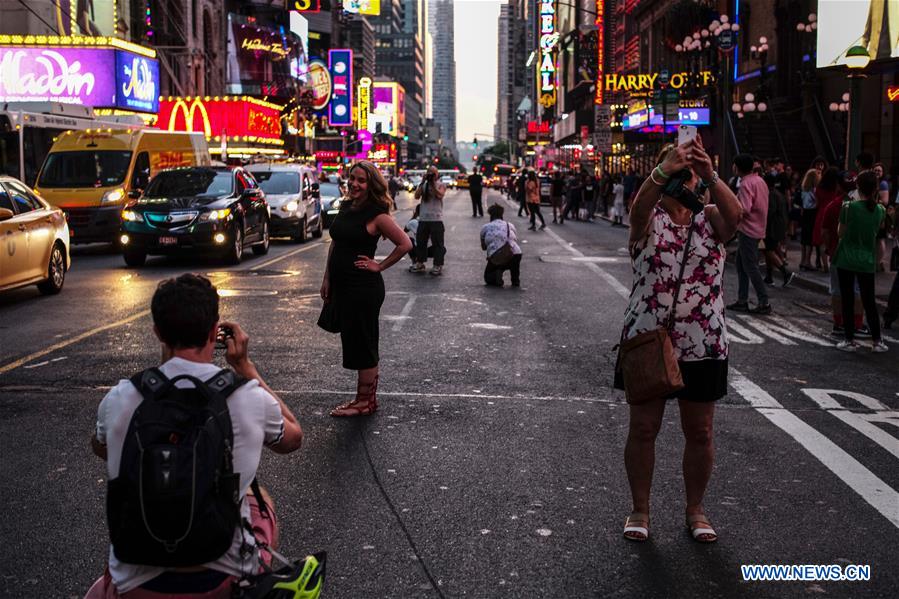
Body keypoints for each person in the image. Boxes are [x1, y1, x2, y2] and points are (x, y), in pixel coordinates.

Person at [89, 274, 304, 598]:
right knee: (257, 498)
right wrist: (245, 367)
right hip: (220, 582)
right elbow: (293, 438)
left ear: (157, 332)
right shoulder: (246, 396)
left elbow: (101, 448)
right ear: (213, 331)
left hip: (135, 585)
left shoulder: (122, 397)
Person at [616, 137, 742, 544]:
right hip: (650, 339)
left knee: (701, 431)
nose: (685, 184)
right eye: (678, 175)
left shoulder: (710, 219)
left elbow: (736, 216)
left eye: (689, 177)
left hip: (703, 341)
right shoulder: (647, 218)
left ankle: (696, 510)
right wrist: (662, 169)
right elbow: (636, 210)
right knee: (644, 428)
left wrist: (711, 174)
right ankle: (640, 509)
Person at [322, 161, 413, 416]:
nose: (354, 184)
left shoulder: (377, 215)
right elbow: (335, 244)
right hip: (343, 286)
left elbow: (405, 244)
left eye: (361, 180)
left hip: (363, 288)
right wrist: (327, 277)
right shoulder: (347, 206)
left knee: (363, 342)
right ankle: (366, 398)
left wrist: (379, 266)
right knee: (355, 340)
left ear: (370, 184)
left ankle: (364, 402)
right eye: (352, 179)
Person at [833, 172, 888, 352]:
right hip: (866, 258)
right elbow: (877, 231)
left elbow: (840, 233)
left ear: (858, 187)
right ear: (875, 189)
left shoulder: (848, 207)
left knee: (847, 299)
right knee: (868, 300)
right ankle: (877, 341)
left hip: (847, 257)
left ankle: (849, 339)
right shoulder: (880, 210)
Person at [821, 173, 870, 338]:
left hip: (837, 253)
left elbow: (825, 231)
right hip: (858, 254)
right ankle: (856, 324)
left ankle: (838, 322)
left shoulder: (833, 206)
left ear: (839, 186)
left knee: (837, 290)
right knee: (856, 289)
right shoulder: (865, 207)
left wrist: (830, 249)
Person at [727, 154, 771, 314]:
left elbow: (744, 208)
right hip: (758, 227)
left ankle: (763, 301)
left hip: (748, 230)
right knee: (741, 264)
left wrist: (731, 207)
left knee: (751, 266)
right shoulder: (759, 181)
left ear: (737, 167)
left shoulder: (746, 184)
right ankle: (742, 300)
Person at [410, 165, 447, 275]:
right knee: (421, 242)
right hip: (423, 218)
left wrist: (433, 185)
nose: (431, 175)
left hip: (436, 219)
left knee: (438, 244)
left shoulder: (441, 185)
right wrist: (422, 182)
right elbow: (416, 196)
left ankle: (437, 265)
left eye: (433, 173)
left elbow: (440, 195)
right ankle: (420, 263)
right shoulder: (424, 185)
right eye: (429, 173)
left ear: (437, 174)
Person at [762, 173, 795, 287]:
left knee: (768, 251)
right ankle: (769, 276)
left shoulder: (770, 194)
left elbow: (770, 211)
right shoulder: (778, 194)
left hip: (772, 228)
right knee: (769, 250)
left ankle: (785, 273)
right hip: (778, 227)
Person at [481, 203, 522, 287]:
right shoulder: (510, 225)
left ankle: (498, 271)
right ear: (502, 215)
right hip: (515, 254)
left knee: (488, 278)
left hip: (498, 257)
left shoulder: (486, 227)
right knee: (514, 264)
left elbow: (484, 247)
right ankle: (515, 280)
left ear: (490, 216)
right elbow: (514, 240)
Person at [799, 169, 821, 270]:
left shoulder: (803, 189)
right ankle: (807, 261)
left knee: (804, 239)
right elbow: (817, 202)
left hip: (805, 213)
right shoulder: (814, 190)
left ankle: (802, 260)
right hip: (812, 213)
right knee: (809, 239)